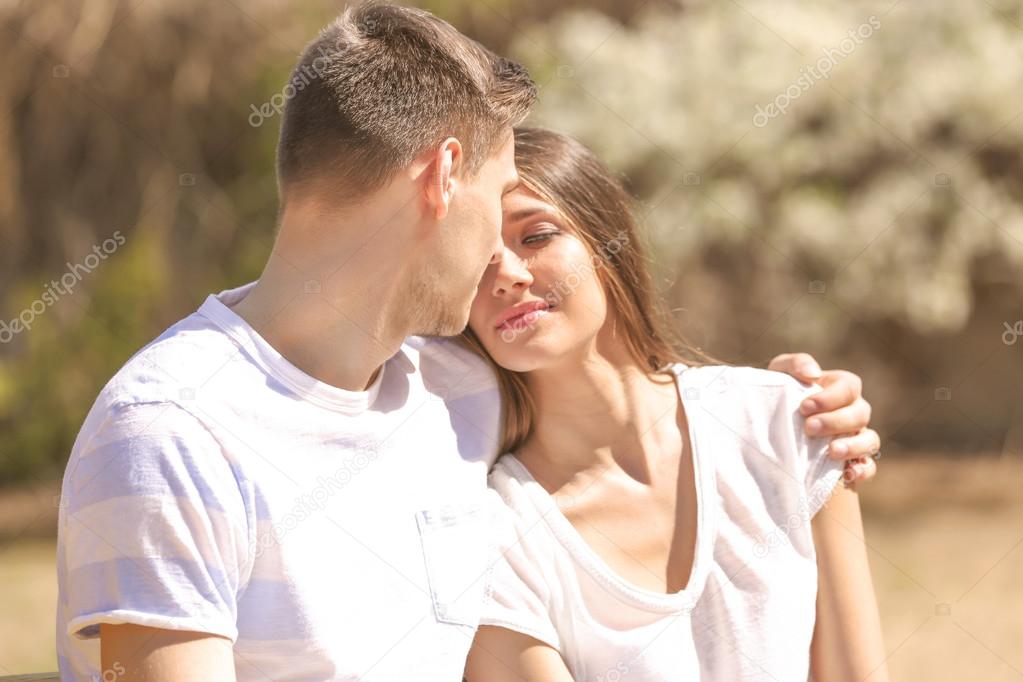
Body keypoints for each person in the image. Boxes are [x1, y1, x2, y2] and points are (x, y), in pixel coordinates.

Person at [55, 3, 878, 680]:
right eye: (495, 198)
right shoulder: (170, 434)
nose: (500, 263)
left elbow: (627, 398)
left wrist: (801, 409)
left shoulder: (453, 390)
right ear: (445, 176)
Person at [463, 128, 887, 681]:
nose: (507, 276)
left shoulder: (785, 420)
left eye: (537, 236)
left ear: (605, 243)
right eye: (476, 258)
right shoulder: (494, 537)